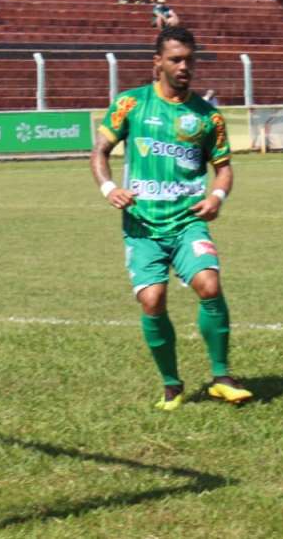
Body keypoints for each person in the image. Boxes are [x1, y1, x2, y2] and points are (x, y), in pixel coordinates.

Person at [91, 27, 251, 411]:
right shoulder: (131, 104)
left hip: (187, 221)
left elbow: (224, 169)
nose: (185, 66)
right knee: (152, 299)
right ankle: (171, 385)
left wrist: (216, 196)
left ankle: (221, 377)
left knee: (209, 285)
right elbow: (99, 152)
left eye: (190, 59)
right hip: (142, 226)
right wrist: (109, 188)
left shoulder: (208, 117)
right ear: (157, 62)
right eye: (176, 59)